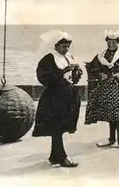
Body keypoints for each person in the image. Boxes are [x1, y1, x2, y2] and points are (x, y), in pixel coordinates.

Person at [32, 30, 83, 168]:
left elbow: (74, 80)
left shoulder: (68, 57)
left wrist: (77, 73)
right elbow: (43, 77)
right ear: (56, 46)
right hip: (54, 98)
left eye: (67, 46)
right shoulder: (49, 58)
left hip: (68, 96)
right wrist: (63, 71)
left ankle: (54, 156)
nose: (66, 49)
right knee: (57, 127)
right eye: (63, 46)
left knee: (60, 127)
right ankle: (62, 157)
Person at [84, 30, 119, 149]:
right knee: (110, 114)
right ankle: (111, 139)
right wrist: (100, 74)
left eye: (113, 42)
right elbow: (91, 69)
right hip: (106, 88)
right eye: (109, 42)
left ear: (118, 42)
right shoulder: (101, 56)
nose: (111, 44)